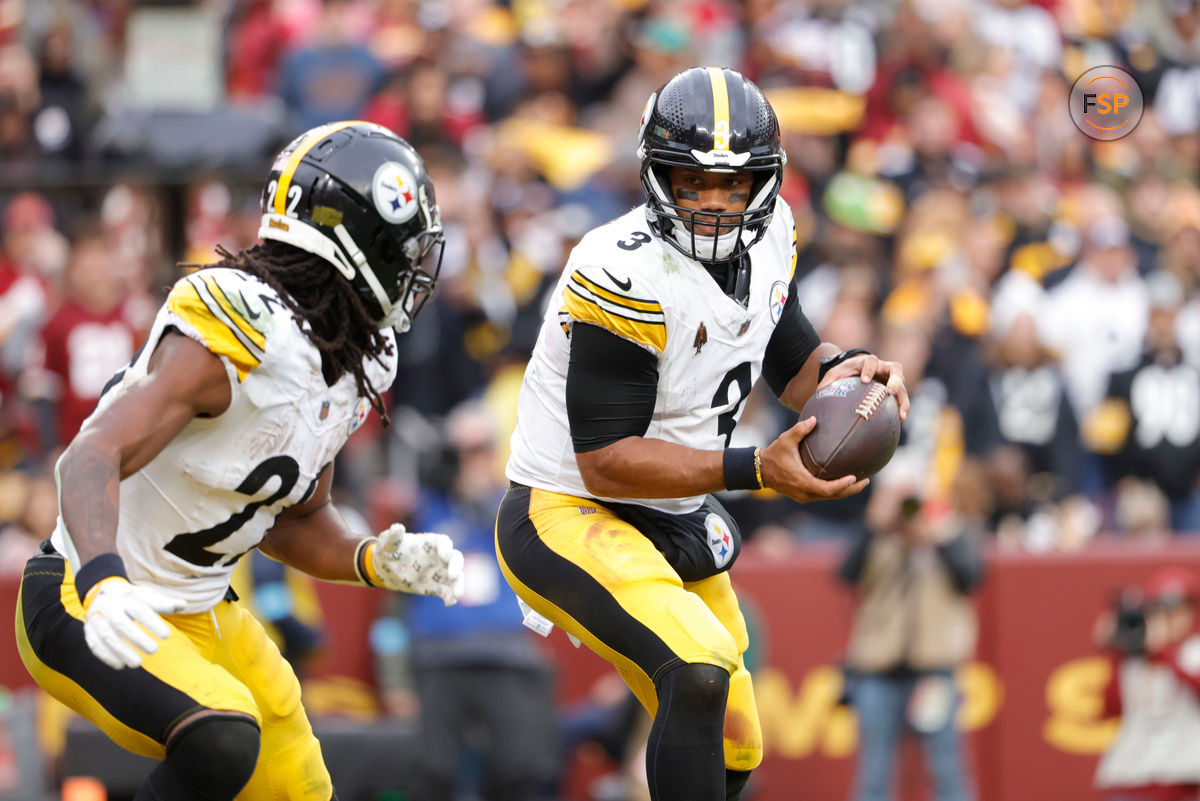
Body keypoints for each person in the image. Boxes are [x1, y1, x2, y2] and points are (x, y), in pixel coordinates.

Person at [14, 121, 465, 801]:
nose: (413, 270)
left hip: (202, 611)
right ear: (357, 245)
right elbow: (89, 454)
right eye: (402, 249)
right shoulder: (240, 325)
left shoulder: (356, 357)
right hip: (85, 592)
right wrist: (105, 582)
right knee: (223, 734)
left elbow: (293, 520)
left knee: (300, 787)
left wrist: (373, 557)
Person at [495, 66, 909, 801]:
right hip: (567, 509)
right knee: (695, 666)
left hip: (672, 512)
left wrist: (854, 377)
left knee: (736, 738)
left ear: (765, 183)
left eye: (733, 184)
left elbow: (793, 362)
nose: (715, 203)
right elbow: (606, 463)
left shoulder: (773, 233)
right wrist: (757, 468)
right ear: (656, 177)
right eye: (692, 182)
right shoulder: (622, 272)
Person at [838, 457, 983, 801]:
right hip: (878, 671)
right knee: (874, 774)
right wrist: (874, 524)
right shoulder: (876, 537)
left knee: (947, 769)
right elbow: (845, 574)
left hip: (933, 672)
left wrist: (932, 532)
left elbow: (971, 575)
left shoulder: (948, 530)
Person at [1094, 567, 1200, 801]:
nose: (1170, 618)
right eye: (1161, 610)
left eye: (1177, 610)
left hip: (1181, 784)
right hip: (1130, 782)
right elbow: (1110, 709)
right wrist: (1116, 651)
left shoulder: (1194, 651)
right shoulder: (1136, 659)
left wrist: (1164, 652)